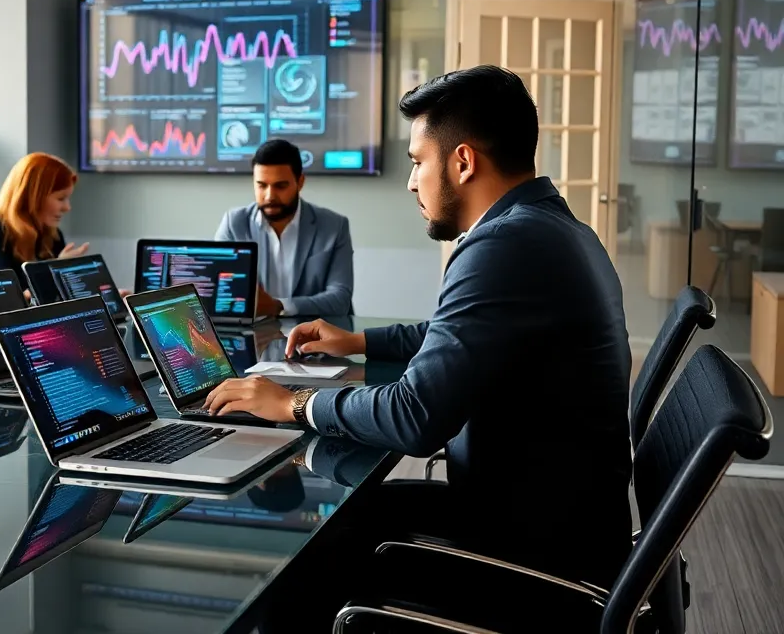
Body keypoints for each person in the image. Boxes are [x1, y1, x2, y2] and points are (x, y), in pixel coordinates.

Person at [203, 66, 633, 587]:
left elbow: (415, 416)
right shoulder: (553, 228)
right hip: (554, 516)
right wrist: (357, 341)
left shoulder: (502, 246)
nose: (410, 182)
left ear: (463, 162)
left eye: (417, 162)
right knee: (346, 519)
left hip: (529, 551)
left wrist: (291, 403)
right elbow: (452, 333)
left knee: (298, 564)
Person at [215, 139, 354, 318]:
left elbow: (340, 300)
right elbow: (219, 292)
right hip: (253, 336)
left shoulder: (334, 226)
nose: (270, 195)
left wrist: (278, 306)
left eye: (280, 186)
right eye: (261, 185)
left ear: (300, 182)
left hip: (314, 338)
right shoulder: (234, 224)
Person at [0, 153, 89, 285]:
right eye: (60, 198)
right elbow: (10, 293)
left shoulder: (52, 235)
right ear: (34, 197)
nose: (67, 207)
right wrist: (57, 269)